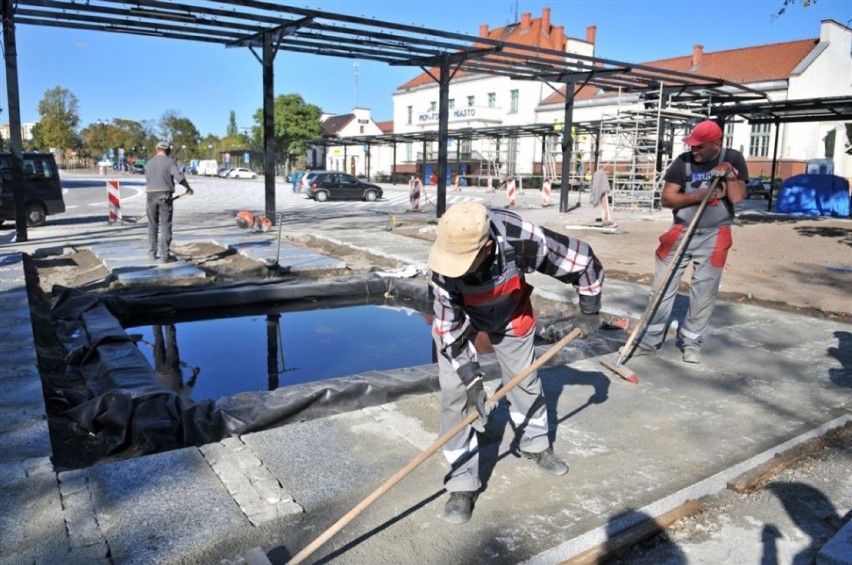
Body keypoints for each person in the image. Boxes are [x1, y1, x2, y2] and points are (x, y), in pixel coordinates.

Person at [427, 202, 605, 524]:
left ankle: (535, 443)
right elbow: (450, 332)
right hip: (463, 318)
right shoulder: (442, 266)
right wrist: (471, 380)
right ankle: (462, 481)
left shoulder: (521, 237)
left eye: (464, 263)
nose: (454, 268)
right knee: (455, 394)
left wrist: (590, 310)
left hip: (510, 307)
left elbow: (583, 260)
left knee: (524, 377)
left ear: (488, 247)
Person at [628, 120, 747, 364]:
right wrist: (698, 195)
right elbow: (668, 199)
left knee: (703, 293)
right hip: (681, 232)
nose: (695, 151)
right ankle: (649, 342)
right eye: (693, 145)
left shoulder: (733, 157)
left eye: (701, 147)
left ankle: (692, 343)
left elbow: (737, 197)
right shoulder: (683, 162)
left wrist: (730, 175)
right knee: (661, 288)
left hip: (715, 235)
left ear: (717, 143)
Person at [144, 141, 193, 263]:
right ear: (167, 150)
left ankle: (152, 254)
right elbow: (179, 178)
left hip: (150, 195)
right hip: (165, 195)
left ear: (157, 149)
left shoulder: (148, 163)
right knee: (165, 225)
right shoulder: (170, 162)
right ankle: (165, 255)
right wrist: (188, 187)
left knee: (152, 225)